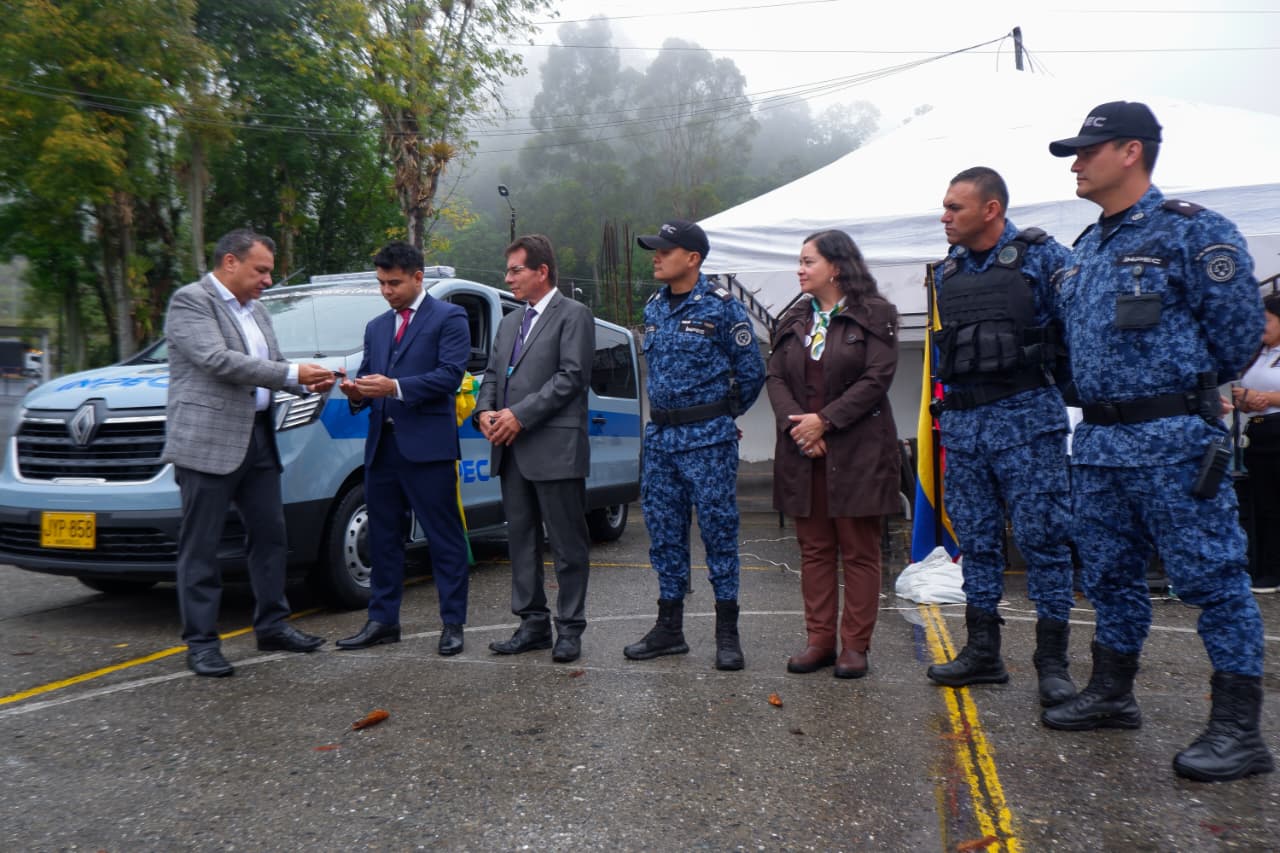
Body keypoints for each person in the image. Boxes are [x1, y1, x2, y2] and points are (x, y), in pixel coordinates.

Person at [1043, 101, 1273, 783]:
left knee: (1212, 578)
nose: (1077, 163)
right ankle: (1113, 692)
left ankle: (1238, 729)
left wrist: (1182, 396)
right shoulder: (1087, 247)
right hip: (1103, 444)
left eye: (1088, 150)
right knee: (1110, 576)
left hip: (1172, 439)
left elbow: (1237, 334)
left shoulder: (1191, 234)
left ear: (1131, 152)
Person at [923, 167, 1078, 709]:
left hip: (1027, 424)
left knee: (1044, 541)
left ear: (991, 209)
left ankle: (1052, 664)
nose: (944, 217)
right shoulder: (948, 271)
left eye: (954, 208)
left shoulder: (1044, 257)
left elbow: (1077, 332)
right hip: (966, 430)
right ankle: (983, 653)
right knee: (979, 544)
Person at [162, 229, 335, 677]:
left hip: (258, 437)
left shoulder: (256, 311)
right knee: (201, 546)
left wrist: (305, 379)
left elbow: (270, 364)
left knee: (271, 537)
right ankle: (201, 643)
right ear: (230, 262)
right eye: (261, 270)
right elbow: (218, 361)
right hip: (207, 442)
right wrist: (292, 372)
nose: (267, 281)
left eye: (270, 272)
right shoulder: (191, 301)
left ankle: (273, 625)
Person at [624, 219, 765, 671]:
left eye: (665, 250)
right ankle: (670, 629)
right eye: (655, 250)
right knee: (664, 535)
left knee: (719, 535)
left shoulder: (723, 308)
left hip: (707, 441)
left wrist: (722, 415)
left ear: (693, 258)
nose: (656, 257)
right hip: (662, 439)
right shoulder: (654, 308)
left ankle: (727, 632)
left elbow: (752, 373)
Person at [767, 230, 900, 679]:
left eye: (808, 262)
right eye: (800, 262)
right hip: (805, 451)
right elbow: (776, 380)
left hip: (858, 451)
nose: (800, 270)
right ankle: (819, 641)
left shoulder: (875, 314)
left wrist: (824, 421)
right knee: (815, 550)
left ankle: (855, 647)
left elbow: (876, 379)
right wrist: (799, 427)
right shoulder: (793, 318)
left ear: (837, 267)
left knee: (859, 551)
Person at [335, 241, 472, 655]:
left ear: (417, 277)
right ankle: (382, 620)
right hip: (383, 448)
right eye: (381, 282)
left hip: (428, 449)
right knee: (384, 539)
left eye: (394, 282)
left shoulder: (451, 317)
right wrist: (355, 393)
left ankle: (452, 624)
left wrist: (394, 387)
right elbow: (366, 381)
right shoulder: (376, 327)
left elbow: (449, 377)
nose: (386, 290)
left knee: (443, 537)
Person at [474, 234, 594, 664]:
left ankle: (570, 628)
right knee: (520, 540)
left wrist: (519, 414)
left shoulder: (574, 315)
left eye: (515, 270)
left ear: (542, 271)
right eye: (508, 271)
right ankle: (532, 624)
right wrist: (485, 411)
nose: (509, 278)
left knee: (566, 543)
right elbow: (491, 374)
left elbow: (571, 376)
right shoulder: (509, 322)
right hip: (510, 450)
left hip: (555, 447)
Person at [1231, 293, 1280, 595]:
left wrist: (1268, 399)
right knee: (1263, 505)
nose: (1262, 326)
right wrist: (1246, 400)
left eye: (1268, 320)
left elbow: (1269, 394)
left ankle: (1274, 571)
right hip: (1260, 433)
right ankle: (1264, 567)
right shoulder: (1259, 353)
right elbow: (1245, 391)